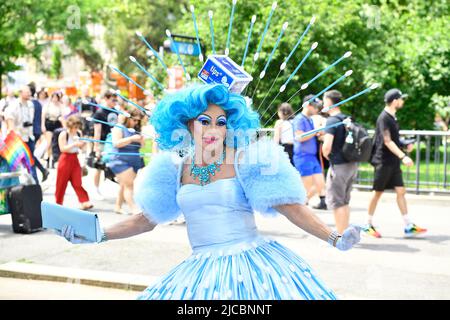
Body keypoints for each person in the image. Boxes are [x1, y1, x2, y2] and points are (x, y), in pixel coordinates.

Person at [56, 84, 361, 300]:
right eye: (205, 122)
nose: (214, 129)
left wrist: (334, 236)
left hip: (252, 269)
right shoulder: (172, 169)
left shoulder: (247, 159)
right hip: (200, 272)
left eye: (221, 122)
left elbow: (291, 207)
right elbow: (144, 220)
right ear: (187, 125)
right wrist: (97, 234)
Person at [365, 89, 427, 238]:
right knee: (377, 193)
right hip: (383, 161)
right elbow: (387, 141)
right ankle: (366, 225)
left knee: (401, 191)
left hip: (392, 162)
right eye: (401, 99)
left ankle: (408, 225)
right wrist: (403, 156)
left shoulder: (392, 118)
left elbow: (394, 139)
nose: (402, 102)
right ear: (394, 101)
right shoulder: (384, 118)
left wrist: (405, 144)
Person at [322, 90, 358, 234]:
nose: (323, 104)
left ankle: (341, 236)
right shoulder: (347, 119)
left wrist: (327, 155)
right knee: (344, 201)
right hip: (352, 164)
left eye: (324, 101)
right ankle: (345, 232)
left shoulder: (331, 121)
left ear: (330, 102)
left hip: (338, 165)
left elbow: (327, 147)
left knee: (337, 202)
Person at [107, 109, 145, 215]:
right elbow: (116, 143)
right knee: (129, 185)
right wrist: (132, 139)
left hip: (134, 161)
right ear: (129, 118)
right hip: (120, 160)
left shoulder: (136, 129)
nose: (136, 123)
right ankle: (134, 209)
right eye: (135, 120)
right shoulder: (119, 128)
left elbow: (143, 146)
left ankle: (117, 206)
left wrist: (141, 140)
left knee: (124, 185)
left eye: (138, 121)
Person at [292, 95, 327, 210]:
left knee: (320, 184)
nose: (316, 109)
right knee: (306, 186)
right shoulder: (299, 119)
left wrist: (319, 134)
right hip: (302, 156)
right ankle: (299, 207)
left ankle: (300, 205)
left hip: (312, 156)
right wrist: (316, 130)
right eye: (314, 106)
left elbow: (311, 134)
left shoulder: (309, 119)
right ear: (307, 105)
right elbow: (300, 137)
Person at [55, 115, 93, 210]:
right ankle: (58, 203)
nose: (76, 129)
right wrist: (74, 144)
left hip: (75, 158)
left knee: (77, 182)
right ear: (70, 126)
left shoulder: (78, 133)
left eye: (77, 127)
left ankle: (84, 201)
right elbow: (62, 148)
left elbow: (81, 148)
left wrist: (83, 144)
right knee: (61, 184)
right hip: (65, 159)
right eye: (74, 127)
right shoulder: (64, 134)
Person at [4, 85, 39, 183]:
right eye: (27, 92)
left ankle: (34, 186)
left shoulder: (31, 105)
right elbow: (9, 121)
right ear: (20, 93)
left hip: (29, 136)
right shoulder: (13, 105)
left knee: (31, 162)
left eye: (29, 92)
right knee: (16, 164)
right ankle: (18, 186)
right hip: (18, 139)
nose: (29, 94)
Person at [91, 91, 119, 200]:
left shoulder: (116, 111)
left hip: (113, 142)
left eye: (116, 100)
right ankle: (95, 189)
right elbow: (97, 131)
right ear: (106, 99)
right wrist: (96, 146)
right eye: (113, 100)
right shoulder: (99, 113)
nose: (115, 102)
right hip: (103, 142)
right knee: (99, 166)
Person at [28, 83, 49, 182]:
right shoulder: (37, 103)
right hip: (36, 131)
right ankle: (42, 171)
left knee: (29, 155)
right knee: (29, 155)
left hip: (30, 132)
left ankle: (37, 177)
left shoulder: (30, 104)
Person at [43, 91, 64, 168]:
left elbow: (63, 116)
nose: (55, 99)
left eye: (56, 97)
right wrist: (43, 125)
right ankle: (48, 158)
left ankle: (54, 159)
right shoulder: (47, 105)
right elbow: (43, 116)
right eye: (53, 97)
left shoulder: (60, 106)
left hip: (57, 124)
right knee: (49, 143)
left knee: (55, 143)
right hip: (49, 124)